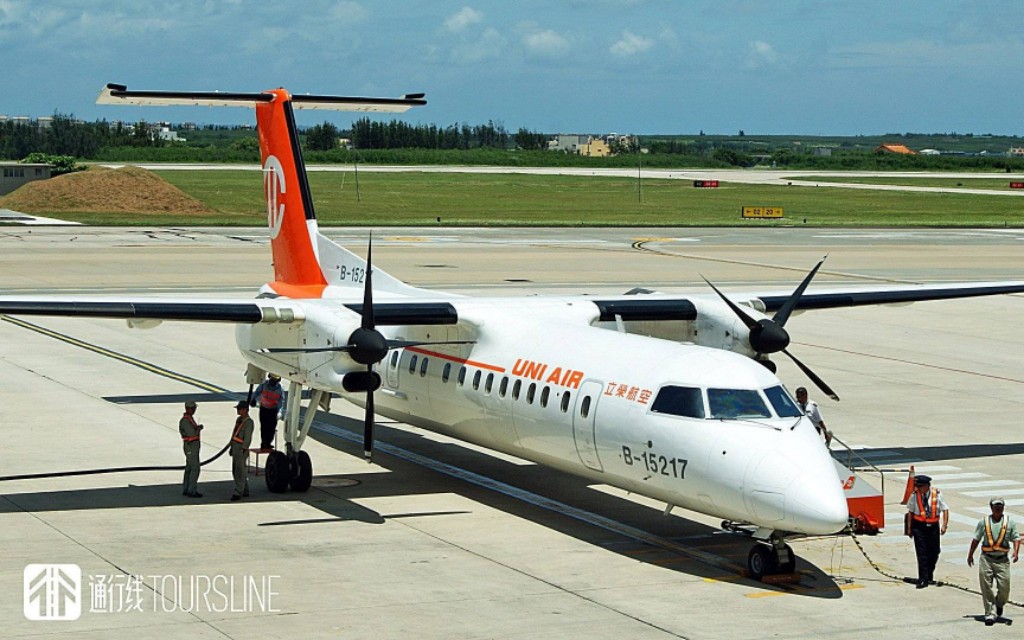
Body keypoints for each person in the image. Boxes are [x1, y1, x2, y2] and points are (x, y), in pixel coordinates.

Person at [967, 498, 1021, 625]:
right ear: (991, 507)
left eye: (1000, 506)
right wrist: (970, 555)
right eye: (996, 506)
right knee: (986, 586)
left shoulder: (1009, 522)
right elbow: (976, 539)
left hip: (1002, 560)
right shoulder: (984, 522)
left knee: (1005, 588)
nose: (998, 508)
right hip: (987, 559)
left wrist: (1016, 552)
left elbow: (1016, 539)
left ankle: (999, 603)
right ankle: (990, 613)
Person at [905, 474, 949, 588]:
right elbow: (910, 512)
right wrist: (909, 529)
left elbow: (945, 509)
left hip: (933, 526)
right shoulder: (914, 496)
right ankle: (923, 579)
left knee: (935, 552)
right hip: (919, 527)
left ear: (927, 485)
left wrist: (944, 525)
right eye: (917, 486)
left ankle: (929, 575)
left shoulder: (937, 495)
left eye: (921, 486)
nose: (919, 489)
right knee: (922, 553)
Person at [251, 373, 286, 449]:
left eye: (274, 380)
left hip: (273, 410)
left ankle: (268, 443)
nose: (272, 382)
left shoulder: (280, 389)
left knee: (271, 428)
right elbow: (257, 392)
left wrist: (280, 412)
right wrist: (253, 399)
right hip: (264, 409)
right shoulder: (264, 385)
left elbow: (281, 401)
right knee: (264, 427)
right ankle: (264, 443)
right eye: (271, 379)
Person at [230, 400, 255, 501]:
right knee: (236, 469)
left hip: (241, 448)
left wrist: (244, 449)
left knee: (240, 471)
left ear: (245, 410)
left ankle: (238, 491)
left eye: (240, 409)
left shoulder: (248, 422)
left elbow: (247, 438)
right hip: (236, 447)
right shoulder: (239, 420)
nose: (238, 411)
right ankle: (245, 489)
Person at [178, 400, 203, 498]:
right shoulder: (185, 421)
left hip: (192, 447)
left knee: (189, 468)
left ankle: (187, 488)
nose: (194, 410)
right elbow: (192, 434)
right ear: (188, 408)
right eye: (193, 408)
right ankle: (191, 490)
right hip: (190, 447)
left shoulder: (189, 419)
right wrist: (198, 429)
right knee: (195, 468)